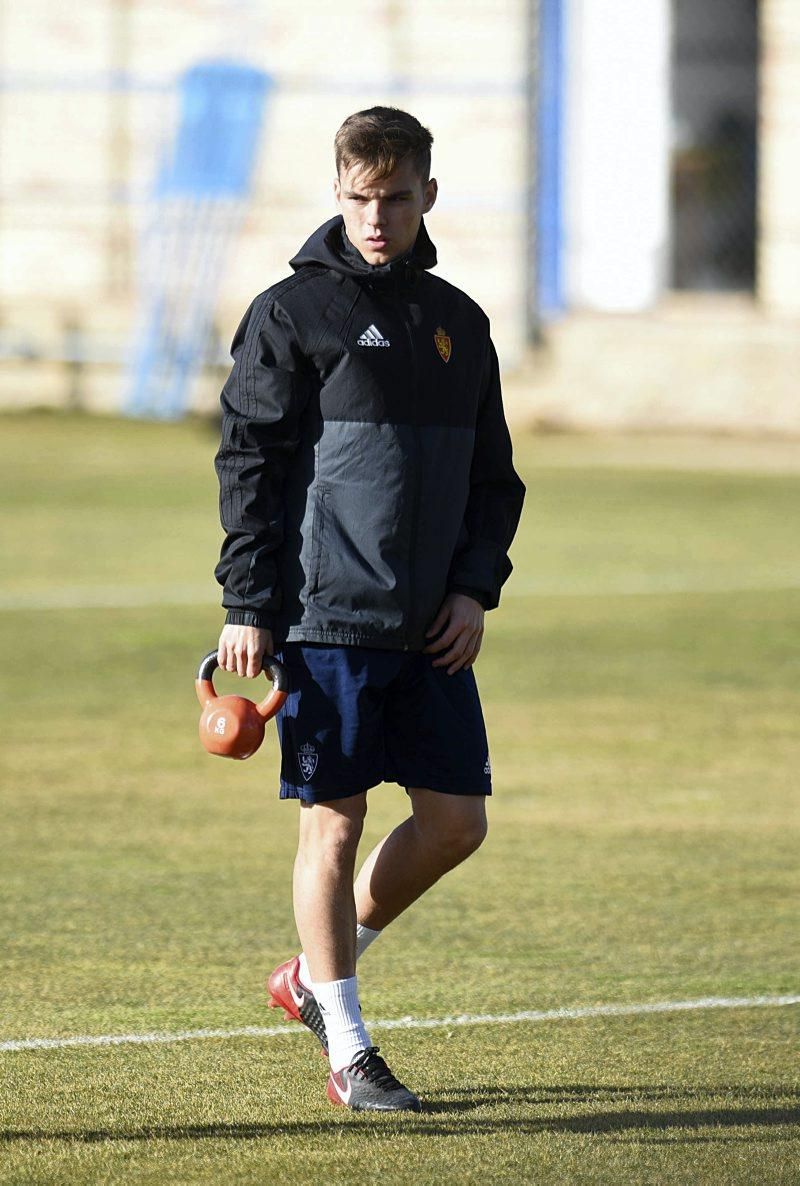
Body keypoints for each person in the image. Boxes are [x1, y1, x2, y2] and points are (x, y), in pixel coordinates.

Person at [214, 106, 525, 1112]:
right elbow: (248, 465)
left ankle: (311, 972)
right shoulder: (288, 314)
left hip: (430, 624)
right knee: (333, 827)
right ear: (336, 191)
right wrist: (247, 603)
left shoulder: (457, 322)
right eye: (358, 197)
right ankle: (348, 1046)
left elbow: (494, 482)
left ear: (426, 194)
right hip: (321, 618)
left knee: (454, 825)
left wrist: (475, 586)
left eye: (395, 197)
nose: (376, 216)